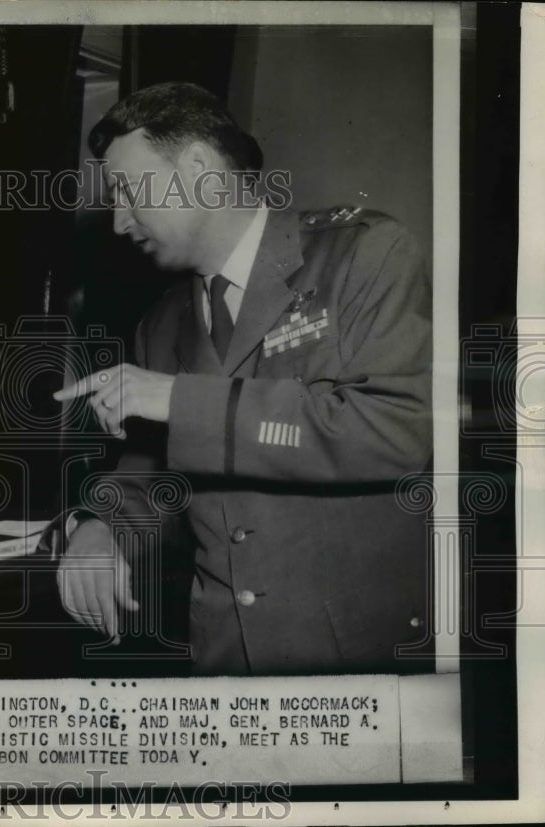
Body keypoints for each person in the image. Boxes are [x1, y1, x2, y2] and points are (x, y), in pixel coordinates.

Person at [55, 82, 433, 675]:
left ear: (199, 169)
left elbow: (395, 430)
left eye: (128, 191)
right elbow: (153, 477)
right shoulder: (160, 324)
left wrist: (179, 400)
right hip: (225, 655)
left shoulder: (362, 255)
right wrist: (99, 525)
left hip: (358, 656)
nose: (119, 220)